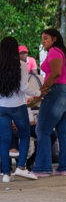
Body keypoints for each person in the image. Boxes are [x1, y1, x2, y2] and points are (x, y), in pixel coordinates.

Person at [31, 28, 66, 177]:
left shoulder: (54, 51)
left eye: (46, 38)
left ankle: (43, 168)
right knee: (63, 131)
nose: (43, 41)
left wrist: (42, 89)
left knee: (43, 130)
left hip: (57, 93)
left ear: (54, 38)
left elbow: (56, 73)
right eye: (42, 38)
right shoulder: (63, 52)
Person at [0, 37, 36, 182]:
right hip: (17, 106)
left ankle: (6, 174)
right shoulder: (20, 64)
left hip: (1, 107)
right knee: (25, 134)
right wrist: (39, 93)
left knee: (4, 140)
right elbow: (24, 88)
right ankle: (21, 167)